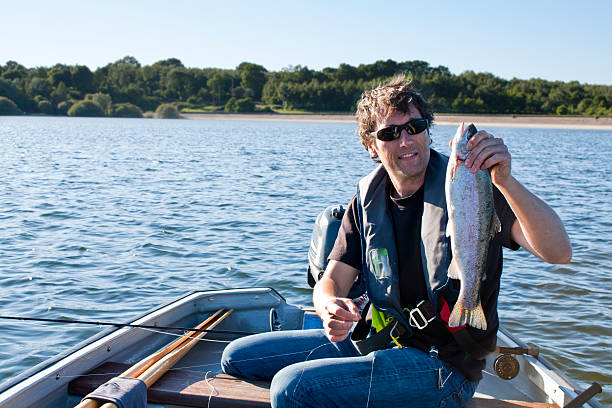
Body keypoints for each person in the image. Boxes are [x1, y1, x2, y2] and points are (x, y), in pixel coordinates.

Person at [221, 75, 572, 408]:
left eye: (414, 128)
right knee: (236, 357)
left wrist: (507, 182)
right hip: (381, 340)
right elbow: (332, 280)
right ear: (372, 146)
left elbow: (559, 252)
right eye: (390, 133)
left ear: (429, 134)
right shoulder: (366, 201)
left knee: (292, 388)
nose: (405, 140)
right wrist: (328, 306)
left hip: (444, 366)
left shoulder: (470, 186)